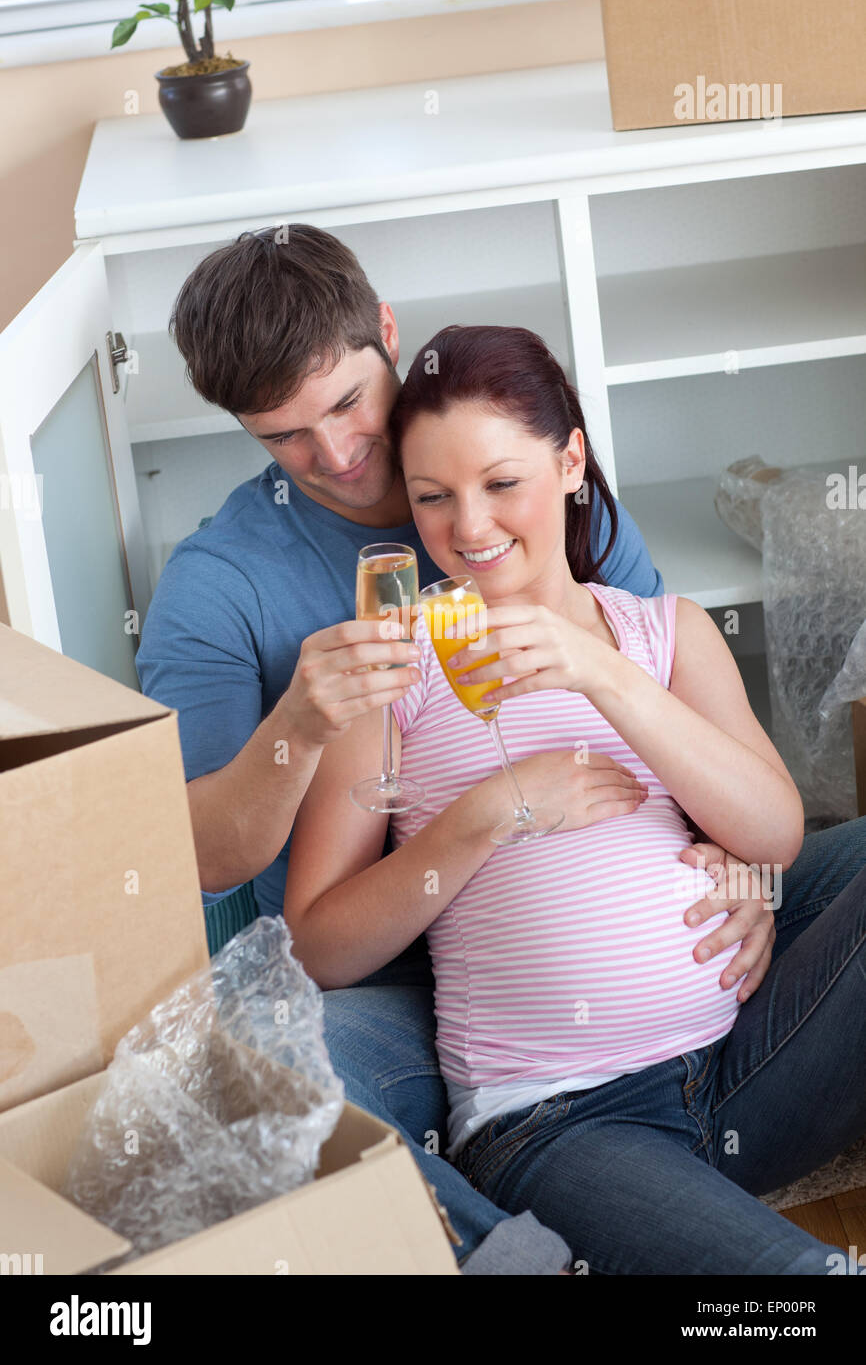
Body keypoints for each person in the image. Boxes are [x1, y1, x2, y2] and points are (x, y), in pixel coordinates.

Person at [135, 225, 864, 1274]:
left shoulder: (529, 477)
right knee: (257, 1079)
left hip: (680, 996)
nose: (335, 454)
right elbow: (221, 867)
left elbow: (713, 764)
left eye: (345, 404)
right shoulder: (242, 597)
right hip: (427, 993)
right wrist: (308, 719)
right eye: (283, 436)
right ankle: (520, 1251)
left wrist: (750, 871)